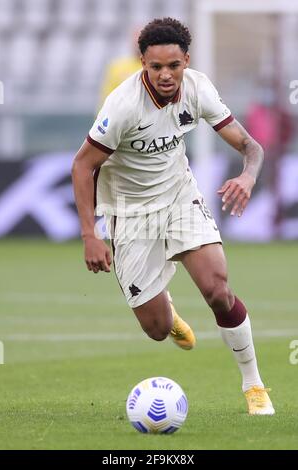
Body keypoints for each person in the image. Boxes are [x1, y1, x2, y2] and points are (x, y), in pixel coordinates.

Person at [72, 18, 274, 415]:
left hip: (180, 197)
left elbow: (251, 146)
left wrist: (248, 177)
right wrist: (90, 235)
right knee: (157, 329)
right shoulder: (123, 105)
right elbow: (82, 167)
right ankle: (165, 306)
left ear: (186, 60)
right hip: (130, 213)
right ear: (142, 64)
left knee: (217, 289)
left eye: (173, 66)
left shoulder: (198, 88)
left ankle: (254, 385)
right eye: (155, 67)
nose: (165, 75)